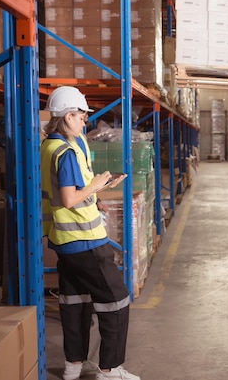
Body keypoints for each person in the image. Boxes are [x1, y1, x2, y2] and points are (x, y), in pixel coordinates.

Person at [40, 86, 138, 379]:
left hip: (63, 240)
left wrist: (96, 199)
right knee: (116, 299)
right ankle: (109, 368)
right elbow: (70, 197)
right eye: (82, 116)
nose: (85, 121)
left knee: (75, 300)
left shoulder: (49, 146)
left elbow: (63, 193)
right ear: (68, 116)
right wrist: (95, 187)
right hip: (85, 240)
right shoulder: (67, 151)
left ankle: (73, 364)